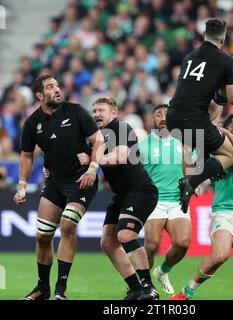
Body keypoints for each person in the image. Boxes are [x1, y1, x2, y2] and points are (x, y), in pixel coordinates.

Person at [13, 75, 103, 300]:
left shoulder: (76, 111)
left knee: (67, 225)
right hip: (55, 181)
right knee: (42, 236)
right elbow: (25, 156)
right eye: (50, 87)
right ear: (40, 95)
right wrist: (22, 185)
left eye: (57, 85)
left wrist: (93, 168)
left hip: (82, 179)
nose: (57, 89)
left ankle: (61, 290)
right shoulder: (32, 123)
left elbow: (99, 141)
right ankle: (42, 288)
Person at [170, 114, 233, 300]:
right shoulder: (215, 157)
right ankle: (187, 291)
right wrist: (194, 178)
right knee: (219, 256)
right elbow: (190, 168)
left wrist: (224, 134)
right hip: (222, 212)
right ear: (228, 127)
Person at [166, 18, 233, 213]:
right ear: (223, 40)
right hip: (194, 119)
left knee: (194, 147)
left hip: (172, 116)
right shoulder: (226, 61)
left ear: (203, 35)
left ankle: (192, 184)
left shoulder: (189, 57)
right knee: (229, 153)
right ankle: (192, 183)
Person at [92, 97, 159, 300]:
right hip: (122, 194)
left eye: (101, 110)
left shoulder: (121, 127)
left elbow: (121, 157)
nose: (96, 114)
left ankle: (149, 288)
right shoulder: (98, 136)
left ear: (114, 113)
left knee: (126, 235)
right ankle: (136, 288)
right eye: (94, 111)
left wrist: (95, 158)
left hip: (141, 190)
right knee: (108, 242)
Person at [139, 104, 192, 295]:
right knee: (151, 245)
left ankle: (163, 271)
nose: (162, 117)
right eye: (158, 114)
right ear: (152, 119)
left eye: (167, 114)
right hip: (154, 201)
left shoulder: (183, 142)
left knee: (183, 243)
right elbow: (135, 172)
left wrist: (193, 184)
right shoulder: (143, 144)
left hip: (177, 201)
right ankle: (142, 286)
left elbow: (189, 166)